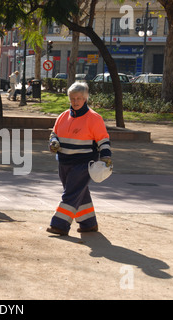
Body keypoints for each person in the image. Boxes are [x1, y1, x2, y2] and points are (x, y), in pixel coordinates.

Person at [47, 82, 112, 236]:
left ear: (85, 99)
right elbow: (53, 134)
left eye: (79, 98)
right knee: (79, 192)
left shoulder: (94, 118)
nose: (75, 102)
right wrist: (53, 142)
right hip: (64, 162)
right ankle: (88, 223)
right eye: (72, 99)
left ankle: (60, 225)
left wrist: (106, 157)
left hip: (83, 163)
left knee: (70, 193)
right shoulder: (63, 116)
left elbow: (103, 139)